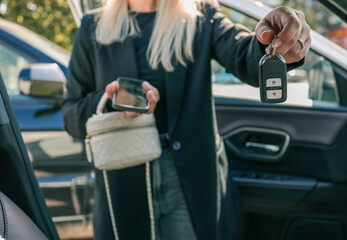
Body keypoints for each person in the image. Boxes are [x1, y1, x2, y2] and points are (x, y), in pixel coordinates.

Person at [62, 0, 310, 239]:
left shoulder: (201, 16)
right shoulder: (93, 25)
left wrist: (277, 43)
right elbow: (72, 116)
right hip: (124, 179)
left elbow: (244, 54)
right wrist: (112, 101)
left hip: (188, 179)